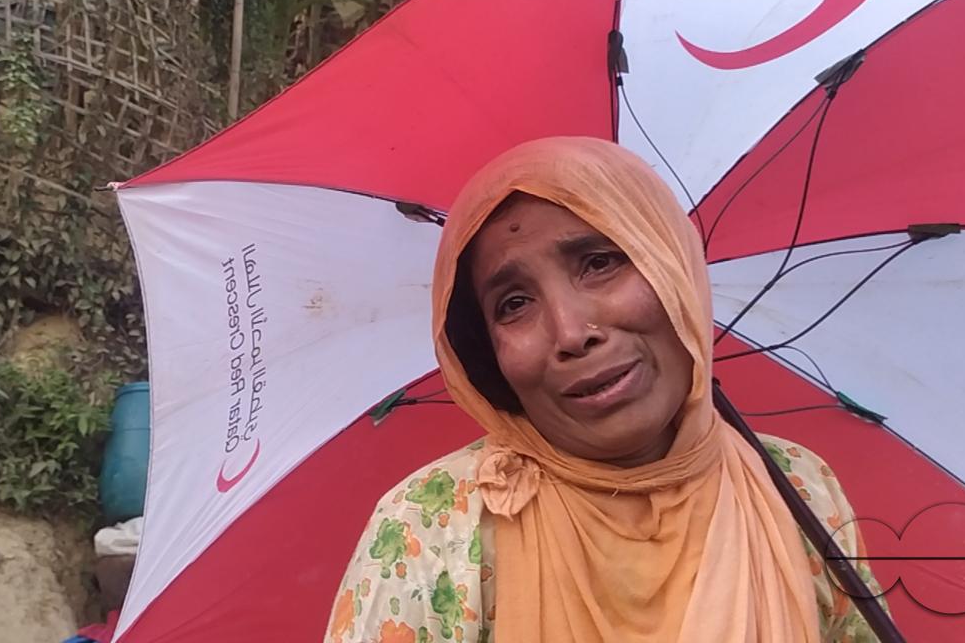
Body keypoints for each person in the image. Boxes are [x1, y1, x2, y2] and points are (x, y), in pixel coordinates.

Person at [325, 138, 885, 643]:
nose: (571, 333)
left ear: (673, 268)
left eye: (599, 264)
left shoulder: (798, 490)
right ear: (488, 356)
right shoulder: (434, 527)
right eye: (514, 304)